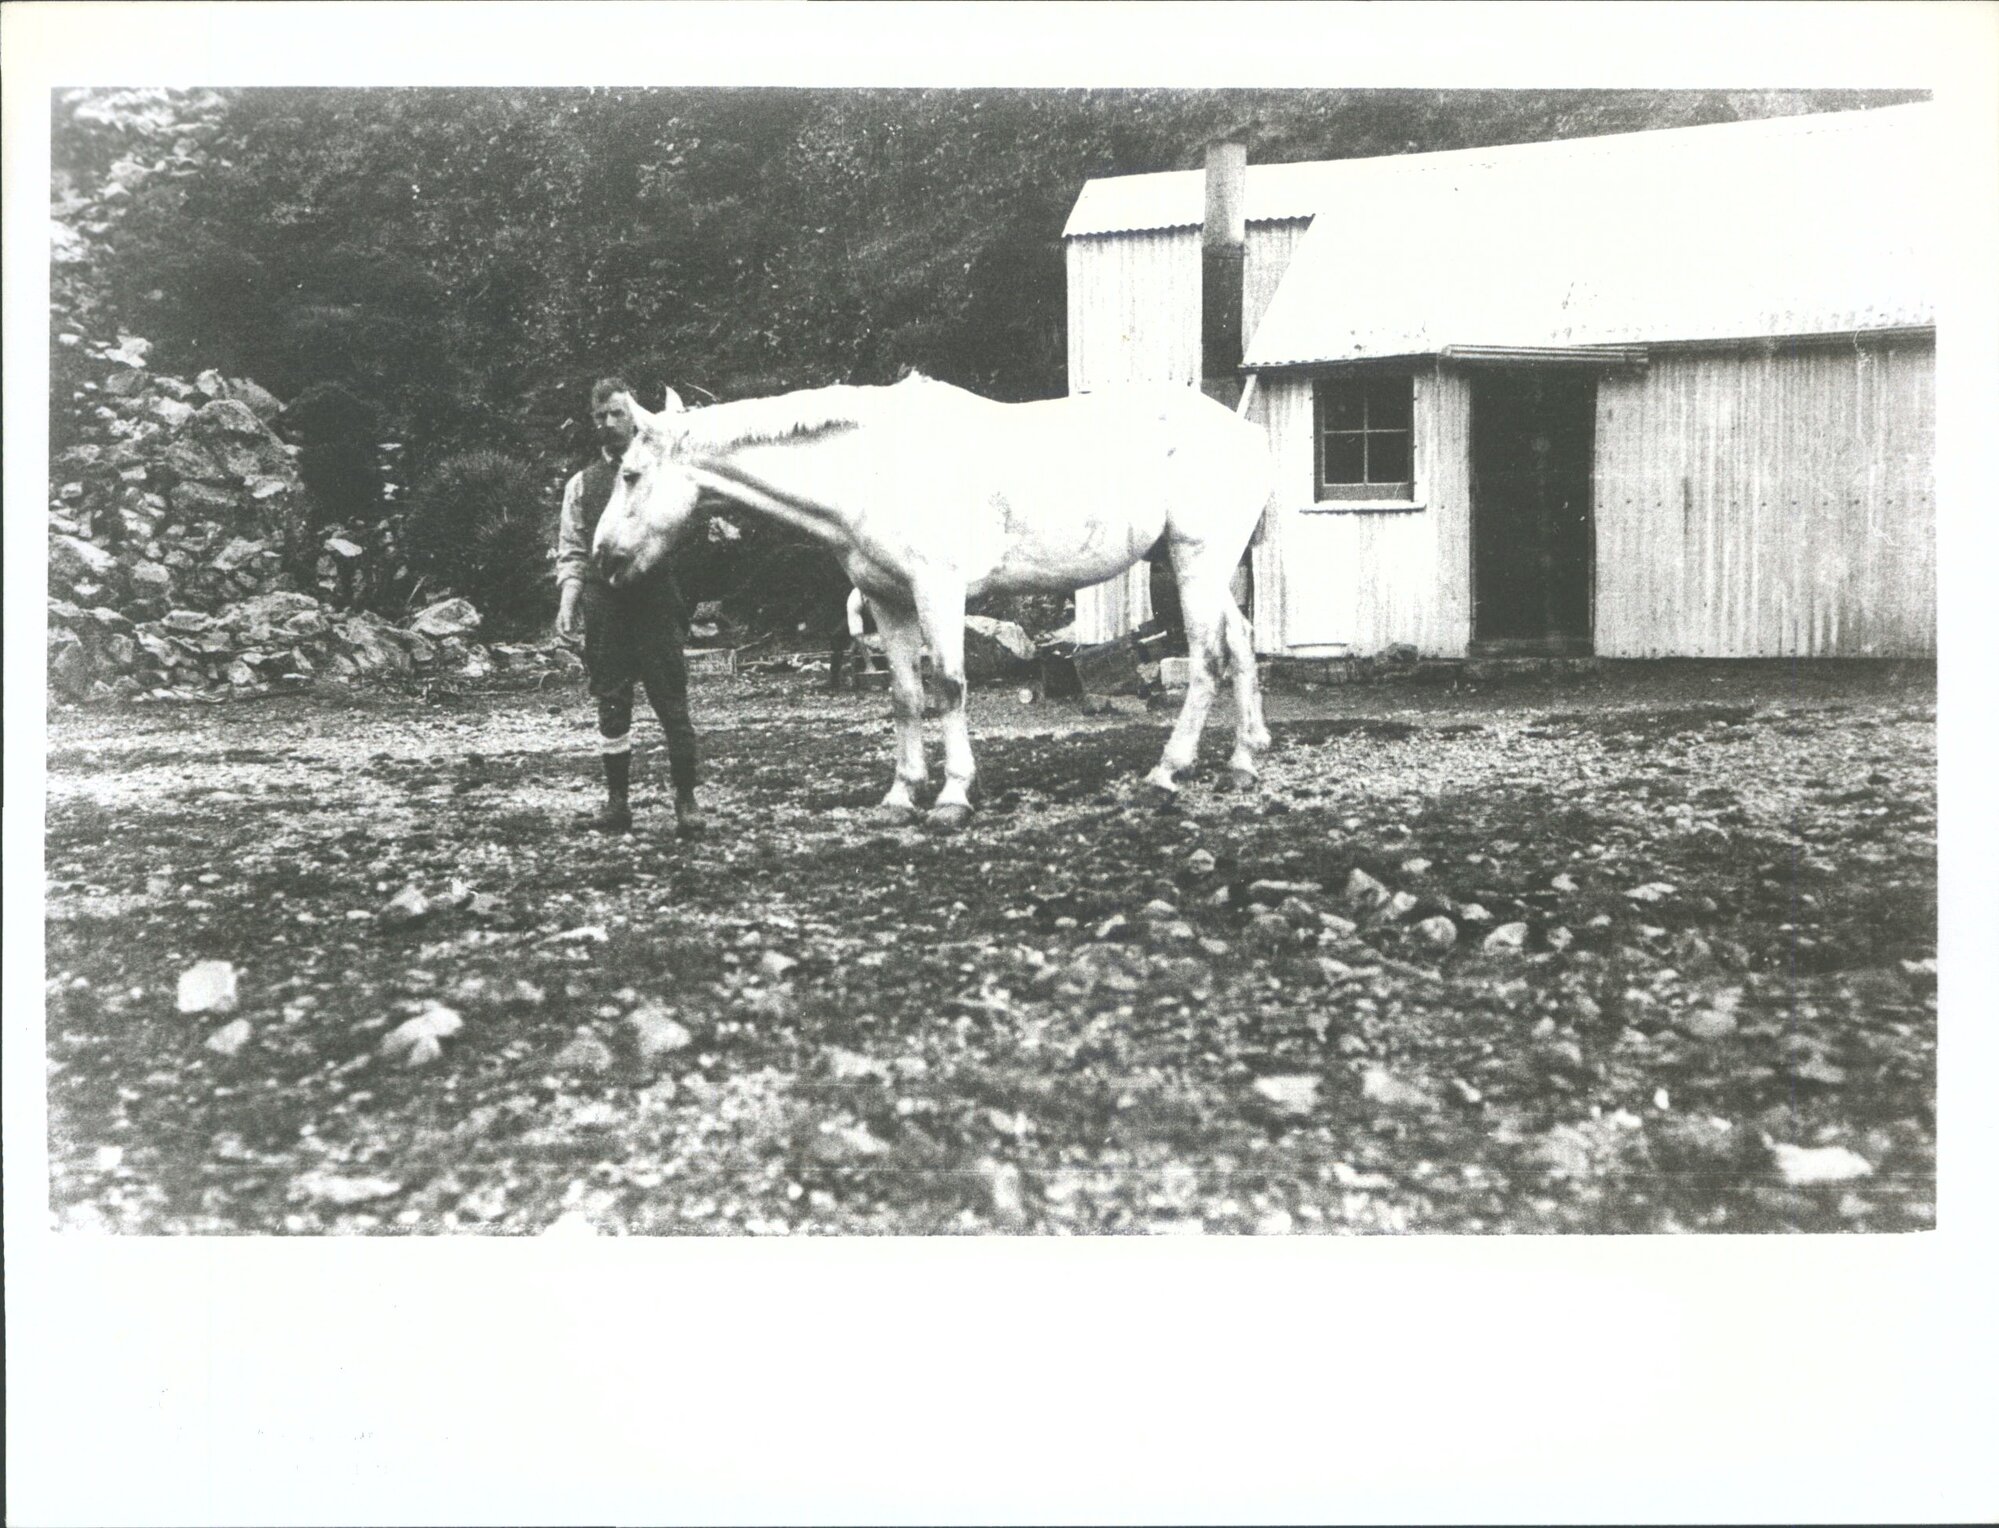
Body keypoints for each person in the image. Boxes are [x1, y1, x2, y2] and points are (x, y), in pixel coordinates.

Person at [554, 377, 704, 837]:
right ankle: (617, 802)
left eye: (617, 413)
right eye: (600, 416)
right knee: (611, 700)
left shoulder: (663, 472)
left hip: (656, 598)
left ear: (634, 416)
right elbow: (573, 548)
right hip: (606, 604)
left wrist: (685, 598)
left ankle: (686, 801)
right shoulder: (582, 484)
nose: (609, 423)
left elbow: (690, 534)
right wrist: (568, 602)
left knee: (671, 700)